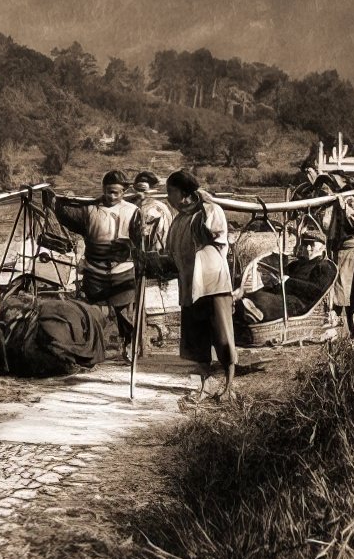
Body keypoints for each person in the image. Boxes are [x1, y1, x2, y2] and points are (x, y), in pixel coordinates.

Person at [45, 170, 143, 361]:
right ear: (103, 189)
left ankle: (130, 344)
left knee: (124, 313)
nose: (112, 196)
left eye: (117, 192)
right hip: (94, 269)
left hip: (122, 269)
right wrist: (55, 203)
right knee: (88, 311)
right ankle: (87, 347)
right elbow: (67, 216)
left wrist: (130, 247)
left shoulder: (133, 212)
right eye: (108, 191)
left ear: (123, 192)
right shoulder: (89, 210)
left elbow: (139, 241)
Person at [166, 169, 236, 402]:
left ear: (184, 193)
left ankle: (229, 387)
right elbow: (171, 251)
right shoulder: (178, 219)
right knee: (196, 340)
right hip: (189, 285)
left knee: (223, 337)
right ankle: (206, 384)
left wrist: (203, 206)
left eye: (171, 192)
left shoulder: (210, 211)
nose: (168, 197)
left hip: (213, 282)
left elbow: (213, 237)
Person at [319, 171, 354, 346]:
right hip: (340, 252)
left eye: (329, 185)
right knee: (336, 298)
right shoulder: (329, 204)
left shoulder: (350, 198)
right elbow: (326, 227)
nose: (326, 189)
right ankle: (333, 342)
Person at [235, 231, 336, 324]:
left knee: (263, 300)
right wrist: (273, 281)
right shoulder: (297, 264)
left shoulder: (325, 266)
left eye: (312, 245)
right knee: (254, 295)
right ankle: (250, 309)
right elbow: (281, 277)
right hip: (284, 295)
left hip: (302, 303)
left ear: (323, 247)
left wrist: (289, 281)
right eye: (306, 244)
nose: (308, 248)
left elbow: (317, 291)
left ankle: (255, 311)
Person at [130, 170, 172, 253]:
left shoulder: (159, 208)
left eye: (143, 190)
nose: (139, 194)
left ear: (152, 190)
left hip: (154, 249)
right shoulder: (131, 206)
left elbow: (164, 232)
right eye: (137, 189)